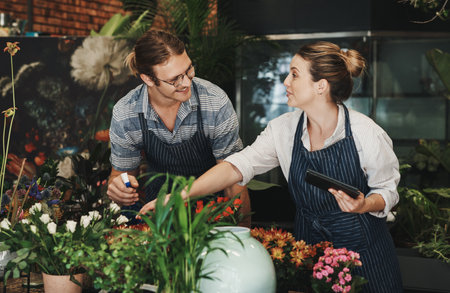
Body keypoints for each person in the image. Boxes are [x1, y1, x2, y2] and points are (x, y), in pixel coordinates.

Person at [140, 41, 403, 292]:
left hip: (365, 254)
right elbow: (236, 167)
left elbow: (387, 192)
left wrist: (364, 205)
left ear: (320, 86)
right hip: (310, 251)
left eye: (295, 74)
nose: (286, 82)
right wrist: (178, 196)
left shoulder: (366, 133)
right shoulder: (284, 130)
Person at [107, 29, 250, 225]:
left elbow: (234, 177)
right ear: (148, 79)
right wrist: (119, 188)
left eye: (189, 70)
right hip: (159, 214)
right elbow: (121, 175)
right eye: (175, 79)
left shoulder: (215, 102)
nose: (186, 82)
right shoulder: (126, 113)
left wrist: (241, 237)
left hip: (212, 212)